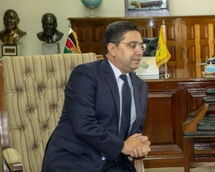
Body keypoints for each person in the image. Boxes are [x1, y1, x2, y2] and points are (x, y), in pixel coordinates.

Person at [42, 21, 151, 172]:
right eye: (132, 45)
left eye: (141, 46)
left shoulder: (140, 86)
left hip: (114, 162)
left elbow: (133, 129)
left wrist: (139, 142)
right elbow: (84, 124)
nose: (139, 52)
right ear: (112, 48)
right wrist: (123, 146)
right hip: (76, 161)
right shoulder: (86, 75)